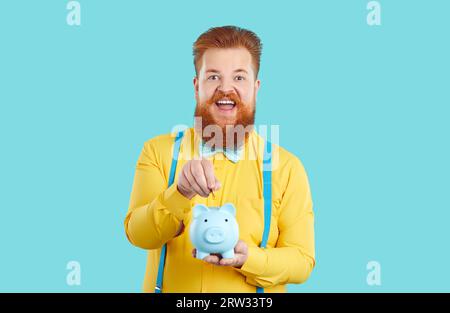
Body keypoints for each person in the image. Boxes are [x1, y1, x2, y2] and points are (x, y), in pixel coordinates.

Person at [124, 25, 315, 293]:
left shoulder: (287, 168)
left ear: (255, 87)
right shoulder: (158, 152)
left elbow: (302, 261)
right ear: (196, 86)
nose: (226, 88)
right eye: (213, 77)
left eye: (239, 77)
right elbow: (138, 234)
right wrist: (179, 193)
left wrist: (249, 259)